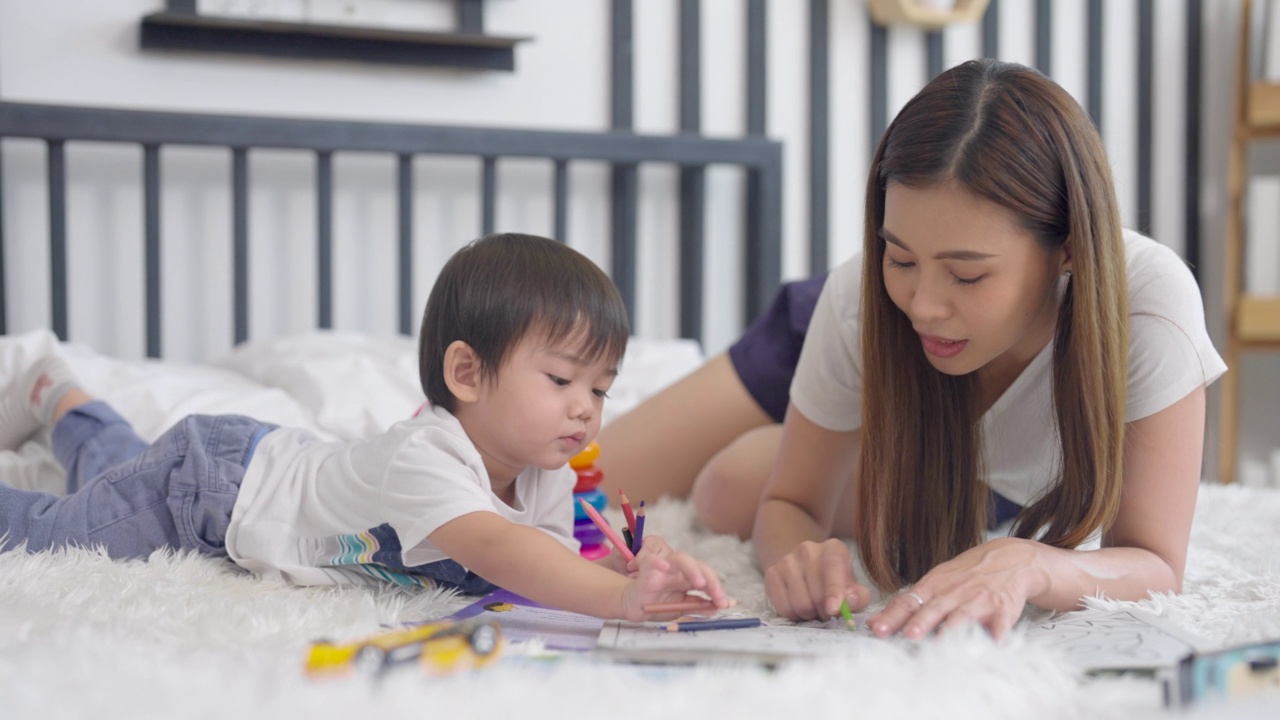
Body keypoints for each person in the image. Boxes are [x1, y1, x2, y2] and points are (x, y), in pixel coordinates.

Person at [597, 58, 1226, 639]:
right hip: (849, 347)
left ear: (1068, 249)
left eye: (968, 274)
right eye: (899, 256)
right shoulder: (862, 301)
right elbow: (793, 503)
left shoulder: (1147, 304)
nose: (924, 303)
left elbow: (1156, 563)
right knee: (582, 480)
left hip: (962, 451)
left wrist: (1031, 561)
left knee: (727, 487)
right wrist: (799, 557)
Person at [0, 232, 730, 622]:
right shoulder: (428, 455)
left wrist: (634, 572)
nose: (586, 408)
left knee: (108, 474)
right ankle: (56, 399)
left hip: (248, 467)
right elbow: (499, 551)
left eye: (602, 388)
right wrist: (617, 601)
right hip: (207, 490)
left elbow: (542, 570)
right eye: (563, 380)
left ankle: (63, 401)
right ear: (467, 374)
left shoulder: (544, 473)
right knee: (54, 534)